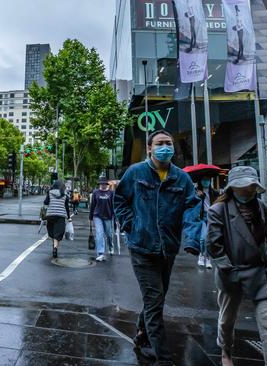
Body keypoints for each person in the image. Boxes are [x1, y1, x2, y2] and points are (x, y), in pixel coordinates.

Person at [114, 129, 202, 365]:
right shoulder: (136, 172)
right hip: (141, 248)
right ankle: (163, 357)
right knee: (154, 300)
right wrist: (130, 225)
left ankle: (142, 335)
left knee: (157, 298)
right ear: (150, 148)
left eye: (169, 143)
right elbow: (120, 200)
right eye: (161, 143)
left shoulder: (181, 178)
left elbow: (193, 207)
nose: (166, 147)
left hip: (168, 249)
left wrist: (193, 240)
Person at [207, 166, 267, 366]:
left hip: (262, 273)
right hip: (233, 273)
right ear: (232, 188)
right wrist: (227, 268)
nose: (248, 190)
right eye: (243, 186)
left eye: (251, 185)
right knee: (227, 320)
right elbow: (214, 246)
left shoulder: (261, 207)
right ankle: (226, 351)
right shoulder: (218, 210)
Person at [44, 180, 71, 259]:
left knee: (52, 232)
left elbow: (45, 202)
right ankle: (55, 248)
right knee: (58, 233)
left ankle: (54, 246)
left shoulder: (50, 192)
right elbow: (67, 207)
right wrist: (69, 217)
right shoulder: (65, 195)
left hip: (50, 215)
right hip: (61, 215)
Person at [90, 177, 114, 262]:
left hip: (108, 216)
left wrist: (115, 216)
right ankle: (100, 253)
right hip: (97, 216)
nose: (103, 185)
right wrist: (90, 217)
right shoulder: (95, 192)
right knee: (99, 233)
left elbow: (113, 206)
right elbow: (93, 205)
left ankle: (111, 247)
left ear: (107, 184)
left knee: (109, 234)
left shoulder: (111, 193)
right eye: (101, 183)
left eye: (104, 183)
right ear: (99, 184)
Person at [197, 176, 219, 269]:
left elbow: (219, 204)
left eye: (208, 180)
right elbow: (191, 203)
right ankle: (201, 255)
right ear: (200, 181)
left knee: (209, 239)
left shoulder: (215, 192)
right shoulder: (196, 192)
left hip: (211, 216)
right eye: (204, 180)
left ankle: (208, 258)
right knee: (203, 238)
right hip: (201, 217)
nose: (206, 182)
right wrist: (198, 197)